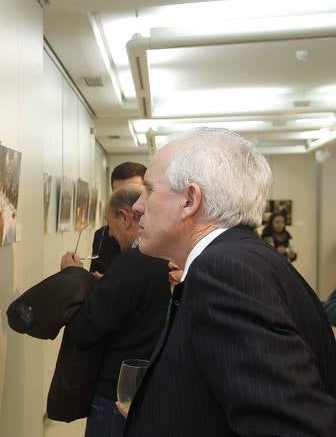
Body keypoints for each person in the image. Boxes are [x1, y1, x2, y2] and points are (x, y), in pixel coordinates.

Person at [121, 128, 336, 436]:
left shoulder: (224, 272)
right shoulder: (248, 259)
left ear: (190, 200)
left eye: (150, 190)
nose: (138, 206)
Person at [60, 184, 170, 437]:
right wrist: (108, 286)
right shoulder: (165, 257)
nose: (109, 234)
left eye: (110, 225)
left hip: (115, 395)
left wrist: (72, 277)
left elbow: (84, 329)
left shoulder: (131, 263)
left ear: (125, 217)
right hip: (146, 390)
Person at [90, 162, 146, 276]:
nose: (127, 204)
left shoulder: (163, 239)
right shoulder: (102, 236)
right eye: (119, 195)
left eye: (133, 194)